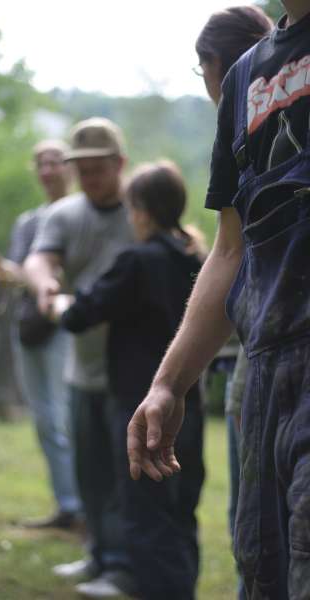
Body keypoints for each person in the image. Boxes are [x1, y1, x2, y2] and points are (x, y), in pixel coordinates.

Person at [127, 2, 310, 599]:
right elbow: (231, 250)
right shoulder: (243, 77)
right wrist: (168, 384)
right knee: (262, 570)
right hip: (265, 367)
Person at [52, 160, 206, 600]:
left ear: (139, 210)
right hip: (188, 404)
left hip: (143, 406)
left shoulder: (137, 260)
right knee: (181, 509)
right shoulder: (195, 257)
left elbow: (81, 314)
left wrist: (55, 303)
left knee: (145, 511)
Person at [24, 118, 136, 598]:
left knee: (121, 474)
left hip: (131, 368)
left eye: (97, 169)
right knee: (89, 471)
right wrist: (45, 284)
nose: (88, 179)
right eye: (81, 170)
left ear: (119, 164)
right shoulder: (65, 214)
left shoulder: (141, 211)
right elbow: (40, 258)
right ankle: (96, 556)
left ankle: (123, 566)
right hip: (80, 365)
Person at [194, 7, 273, 598]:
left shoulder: (249, 112)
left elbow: (230, 249)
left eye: (200, 69)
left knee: (257, 524)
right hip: (260, 338)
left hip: (268, 346)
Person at [0, 139, 82, 530]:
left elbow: (63, 277)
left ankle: (87, 509)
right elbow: (32, 277)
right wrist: (13, 275)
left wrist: (22, 274)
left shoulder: (80, 214)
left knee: (66, 419)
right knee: (44, 420)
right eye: (41, 163)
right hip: (28, 327)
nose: (48, 170)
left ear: (69, 167)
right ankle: (68, 506)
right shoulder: (27, 221)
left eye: (55, 162)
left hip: (65, 328)